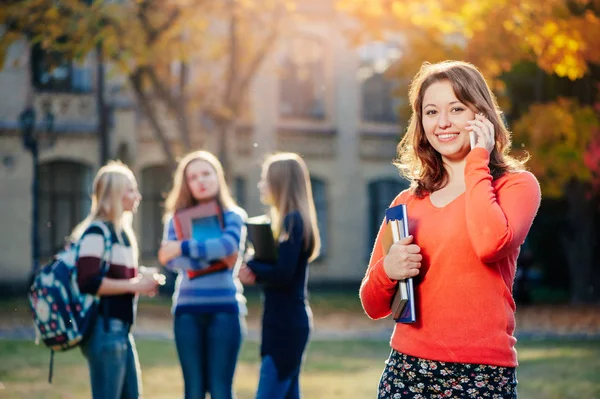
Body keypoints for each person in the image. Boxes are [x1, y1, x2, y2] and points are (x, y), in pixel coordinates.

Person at [360, 60, 541, 398]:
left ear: (482, 115)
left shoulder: (517, 186)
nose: (442, 122)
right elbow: (373, 305)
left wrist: (477, 160)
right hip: (407, 370)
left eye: (456, 108)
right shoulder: (407, 200)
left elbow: (490, 243)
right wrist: (389, 269)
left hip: (482, 374)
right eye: (431, 112)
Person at [157, 150, 247, 399]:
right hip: (187, 312)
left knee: (221, 391)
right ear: (185, 184)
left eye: (206, 173)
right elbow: (170, 259)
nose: (201, 180)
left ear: (218, 177)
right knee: (193, 392)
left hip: (225, 311)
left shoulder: (234, 216)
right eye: (193, 177)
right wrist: (212, 254)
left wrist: (184, 246)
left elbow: (228, 247)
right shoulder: (174, 219)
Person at [73, 161, 159, 399]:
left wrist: (142, 281)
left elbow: (113, 277)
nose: (138, 196)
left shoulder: (121, 234)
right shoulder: (96, 232)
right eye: (131, 190)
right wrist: (135, 285)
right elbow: (88, 281)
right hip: (105, 329)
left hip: (121, 330)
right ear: (115, 194)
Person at [238, 152, 321, 399]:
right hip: (283, 321)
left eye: (265, 179)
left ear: (280, 182)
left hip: (286, 325)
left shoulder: (293, 221)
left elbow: (283, 274)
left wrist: (251, 266)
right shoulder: (288, 221)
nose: (261, 184)